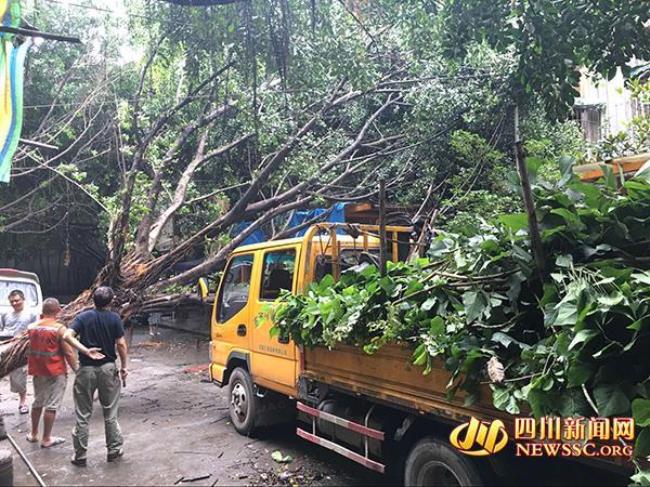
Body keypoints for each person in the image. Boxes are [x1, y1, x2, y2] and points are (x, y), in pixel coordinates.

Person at [63, 286, 128, 466]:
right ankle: (114, 450)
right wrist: (124, 367)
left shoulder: (84, 317)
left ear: (93, 300)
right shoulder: (115, 318)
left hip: (86, 370)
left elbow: (67, 336)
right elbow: (121, 344)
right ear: (111, 301)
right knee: (110, 412)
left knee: (83, 414)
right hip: (108, 369)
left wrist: (85, 350)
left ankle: (80, 455)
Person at [26, 298, 91, 448]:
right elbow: (68, 352)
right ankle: (47, 438)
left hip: (38, 370)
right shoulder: (59, 329)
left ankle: (34, 433)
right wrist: (77, 370)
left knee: (38, 401)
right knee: (52, 405)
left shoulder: (32, 327)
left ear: (43, 311)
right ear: (58, 311)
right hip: (55, 371)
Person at [0, 290, 38, 414]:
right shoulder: (5, 314)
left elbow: (34, 332)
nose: (15, 303)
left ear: (23, 300)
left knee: (19, 375)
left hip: (21, 349)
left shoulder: (31, 314)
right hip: (6, 346)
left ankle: (22, 402)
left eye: (17, 300)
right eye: (12, 301)